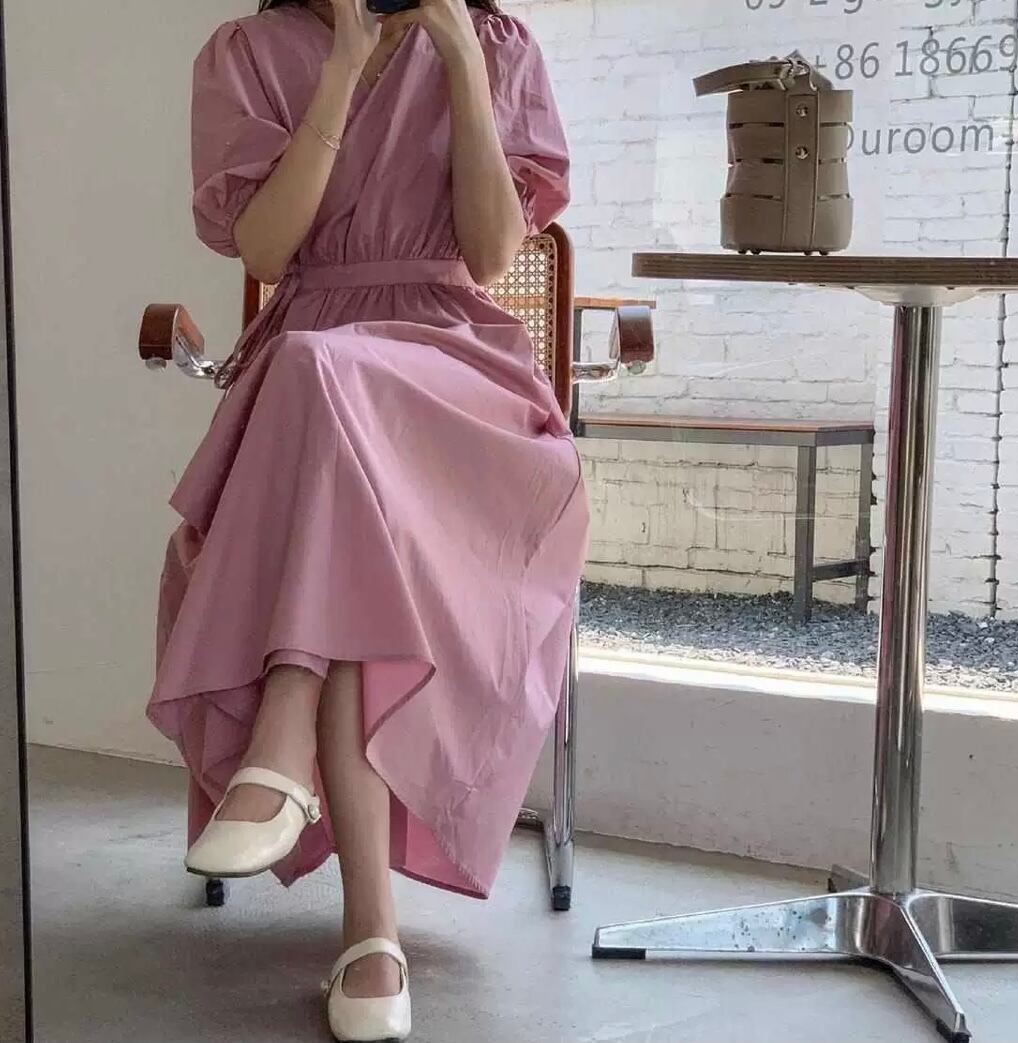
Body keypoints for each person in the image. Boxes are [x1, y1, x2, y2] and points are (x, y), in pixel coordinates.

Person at [146, 0, 587, 1039]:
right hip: (308, 376)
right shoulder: (249, 52)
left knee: (318, 385)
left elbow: (490, 252)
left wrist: (460, 60)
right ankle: (371, 935)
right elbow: (266, 245)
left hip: (457, 378)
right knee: (321, 403)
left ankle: (281, 742)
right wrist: (344, 67)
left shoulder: (500, 44)